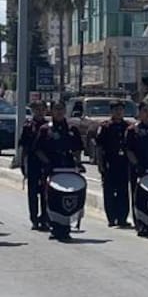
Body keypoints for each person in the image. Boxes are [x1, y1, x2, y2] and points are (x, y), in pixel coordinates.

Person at [35, 102, 85, 241]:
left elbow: (77, 148)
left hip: (68, 169)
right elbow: (38, 149)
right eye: (56, 109)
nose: (59, 112)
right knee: (51, 199)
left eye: (61, 109)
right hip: (52, 169)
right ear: (51, 111)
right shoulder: (45, 129)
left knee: (67, 198)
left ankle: (66, 228)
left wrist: (78, 162)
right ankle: (53, 227)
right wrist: (47, 163)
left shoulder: (72, 129)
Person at [96, 99, 134, 227]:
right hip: (109, 163)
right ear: (111, 111)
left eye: (121, 110)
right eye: (116, 110)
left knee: (123, 192)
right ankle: (111, 218)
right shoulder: (105, 127)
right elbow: (99, 147)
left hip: (123, 164)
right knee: (109, 192)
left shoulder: (128, 126)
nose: (119, 112)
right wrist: (100, 164)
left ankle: (122, 218)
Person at [16, 99, 49, 230]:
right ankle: (34, 219)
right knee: (33, 192)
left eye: (42, 109)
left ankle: (45, 218)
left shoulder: (49, 126)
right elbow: (24, 146)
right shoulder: (28, 126)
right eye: (37, 109)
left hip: (46, 163)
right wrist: (22, 163)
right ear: (33, 111)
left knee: (46, 193)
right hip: (33, 162)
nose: (40, 112)